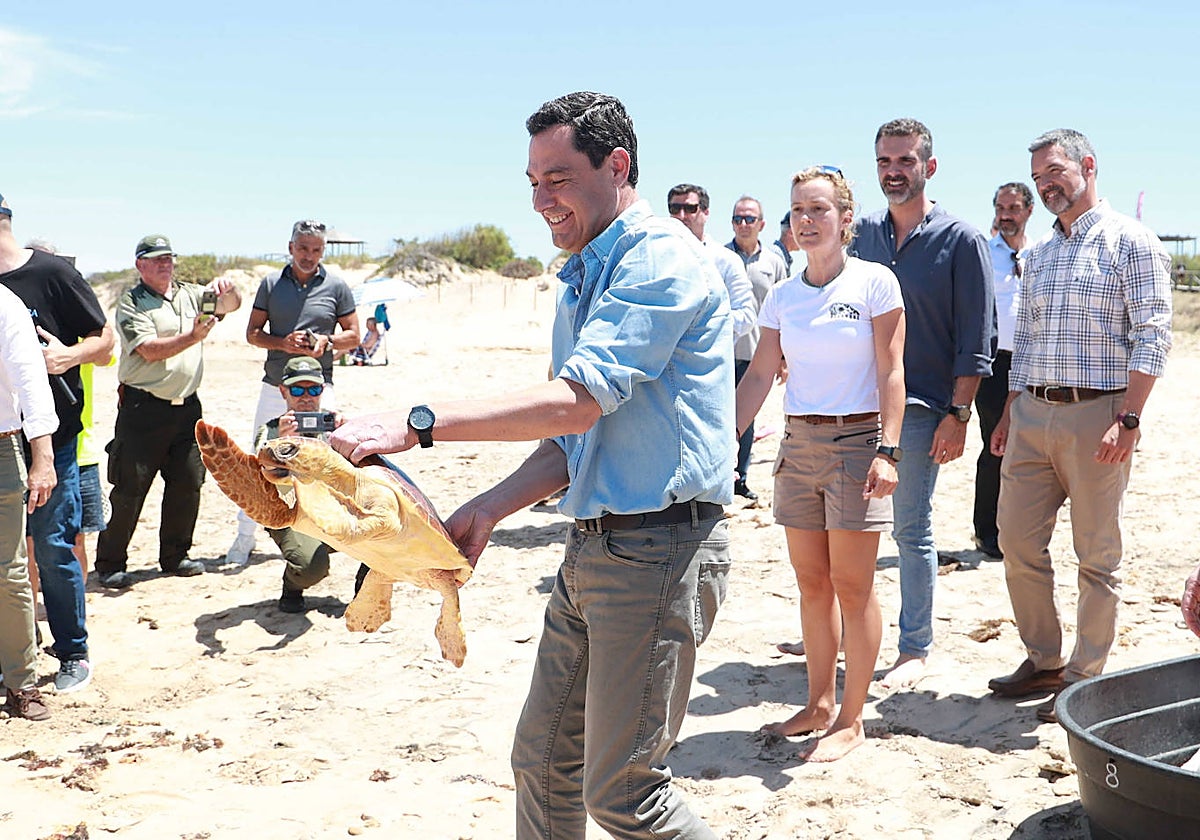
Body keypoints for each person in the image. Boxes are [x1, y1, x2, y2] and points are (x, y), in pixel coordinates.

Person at [330, 91, 733, 839]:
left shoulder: (661, 259)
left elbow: (575, 402)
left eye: (558, 178)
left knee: (626, 796)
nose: (542, 201)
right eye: (532, 183)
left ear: (617, 166)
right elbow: (572, 442)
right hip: (593, 548)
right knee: (543, 764)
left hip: (660, 551)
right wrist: (487, 509)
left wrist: (417, 424)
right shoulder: (585, 271)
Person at [987, 129, 1172, 724]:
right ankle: (1042, 657)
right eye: (1039, 179)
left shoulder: (1132, 242)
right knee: (1014, 540)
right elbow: (1027, 341)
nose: (1047, 186)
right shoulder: (1038, 254)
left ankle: (1082, 678)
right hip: (1032, 413)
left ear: (1089, 166)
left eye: (1056, 172)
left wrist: (1130, 419)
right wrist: (1011, 410)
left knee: (1096, 556)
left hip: (1102, 415)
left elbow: (1154, 334)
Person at [737, 166, 905, 761]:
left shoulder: (875, 283)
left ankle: (852, 718)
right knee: (812, 584)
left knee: (853, 586)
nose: (806, 221)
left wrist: (889, 449)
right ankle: (818, 704)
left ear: (845, 219)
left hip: (860, 445)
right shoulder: (782, 295)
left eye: (819, 210)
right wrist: (724, 439)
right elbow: (760, 373)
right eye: (798, 211)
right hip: (798, 445)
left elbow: (891, 371)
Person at [848, 118, 994, 690]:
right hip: (856, 403)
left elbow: (976, 338)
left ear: (928, 167)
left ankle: (914, 646)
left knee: (909, 528)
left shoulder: (962, 239)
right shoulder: (861, 234)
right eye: (884, 161)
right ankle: (843, 633)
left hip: (923, 406)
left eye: (904, 161)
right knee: (848, 527)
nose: (893, 171)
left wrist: (959, 416)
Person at [0, 192, 113, 694]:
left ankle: (72, 652)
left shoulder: (51, 274)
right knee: (10, 558)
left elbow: (106, 341)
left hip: (56, 437)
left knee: (51, 544)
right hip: (3, 437)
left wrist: (68, 357)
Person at [94, 235, 241, 590]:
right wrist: (192, 337)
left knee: (188, 482)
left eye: (169, 258)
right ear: (140, 265)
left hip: (187, 408)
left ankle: (175, 556)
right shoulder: (131, 303)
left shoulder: (191, 293)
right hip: (143, 409)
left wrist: (229, 289)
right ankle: (111, 562)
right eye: (156, 260)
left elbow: (230, 306)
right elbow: (147, 350)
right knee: (130, 487)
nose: (164, 265)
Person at [226, 220, 359, 566]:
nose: (309, 256)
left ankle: (320, 534)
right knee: (259, 458)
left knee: (325, 457)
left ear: (323, 251)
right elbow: (253, 333)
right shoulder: (271, 284)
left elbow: (355, 337)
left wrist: (326, 342)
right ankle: (244, 539)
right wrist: (282, 342)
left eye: (316, 250)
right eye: (303, 248)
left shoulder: (338, 286)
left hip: (318, 387)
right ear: (290, 248)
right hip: (275, 386)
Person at [0, 282, 58, 720]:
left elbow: (31, 381)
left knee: (9, 573)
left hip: (2, 447)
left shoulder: (4, 304)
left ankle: (22, 684)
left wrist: (43, 457)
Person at [972, 183, 1034, 559]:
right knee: (996, 443)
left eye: (1013, 207)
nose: (1005, 214)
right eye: (1000, 207)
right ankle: (987, 531)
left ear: (1028, 210)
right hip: (995, 364)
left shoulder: (1042, 252)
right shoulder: (983, 254)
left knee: (1031, 449)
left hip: (1038, 362)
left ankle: (1020, 529)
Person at [255, 356, 339, 613]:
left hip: (330, 509)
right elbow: (261, 470)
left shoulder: (334, 425)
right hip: (289, 513)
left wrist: (348, 434)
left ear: (322, 391)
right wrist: (279, 443)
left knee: (384, 532)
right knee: (311, 567)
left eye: (313, 389)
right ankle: (292, 585)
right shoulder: (270, 431)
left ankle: (364, 589)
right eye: (297, 389)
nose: (306, 397)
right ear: (283, 391)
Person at [727, 195, 788, 501]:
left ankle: (741, 477)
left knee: (746, 419)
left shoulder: (775, 263)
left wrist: (784, 356)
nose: (743, 224)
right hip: (721, 354)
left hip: (758, 355)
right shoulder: (721, 258)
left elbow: (785, 310)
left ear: (762, 224)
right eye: (738, 218)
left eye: (749, 218)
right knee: (722, 416)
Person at [666, 183, 757, 343]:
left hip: (711, 363)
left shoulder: (727, 261)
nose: (681, 215)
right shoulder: (660, 258)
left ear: (705, 212)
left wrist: (699, 323)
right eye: (675, 209)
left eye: (690, 208)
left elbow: (746, 316)